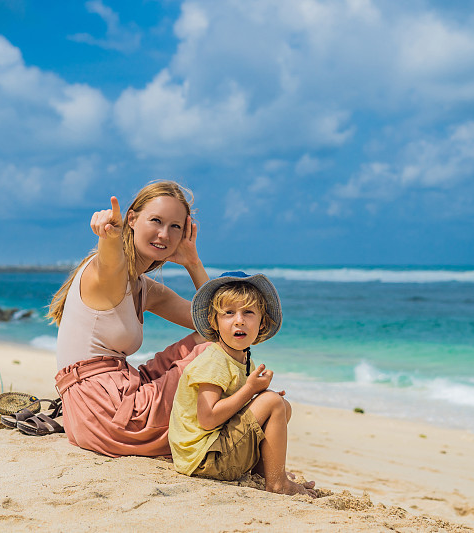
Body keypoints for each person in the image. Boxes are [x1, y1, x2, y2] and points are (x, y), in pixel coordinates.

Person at [46, 180, 211, 457]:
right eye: (156, 221)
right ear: (132, 219)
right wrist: (109, 236)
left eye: (175, 227)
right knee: (216, 352)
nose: (164, 234)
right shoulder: (110, 274)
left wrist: (193, 263)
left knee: (209, 340)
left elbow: (213, 324)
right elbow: (110, 260)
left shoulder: (144, 288)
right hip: (105, 411)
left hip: (105, 405)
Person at [168, 272, 316, 496]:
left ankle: (267, 470)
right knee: (273, 403)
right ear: (213, 321)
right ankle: (277, 483)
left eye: (248, 312)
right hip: (205, 457)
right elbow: (208, 419)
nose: (239, 320)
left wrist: (259, 395)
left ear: (262, 322)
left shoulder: (242, 360)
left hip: (218, 449)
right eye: (229, 313)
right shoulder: (214, 361)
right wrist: (251, 391)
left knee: (280, 406)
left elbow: (236, 407)